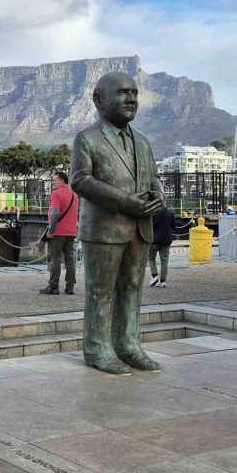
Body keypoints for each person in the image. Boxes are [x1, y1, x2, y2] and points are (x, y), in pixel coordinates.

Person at [70, 72, 165, 375]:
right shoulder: (87, 138)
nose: (131, 99)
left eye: (135, 93)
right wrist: (125, 202)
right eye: (123, 92)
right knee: (101, 291)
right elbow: (80, 180)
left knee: (133, 287)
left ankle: (128, 345)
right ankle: (97, 348)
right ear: (99, 100)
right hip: (104, 228)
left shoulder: (143, 142)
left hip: (141, 226)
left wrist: (158, 197)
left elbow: (154, 178)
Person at [40, 171, 78, 295]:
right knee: (70, 259)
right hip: (71, 232)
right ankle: (70, 286)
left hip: (58, 232)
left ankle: (53, 286)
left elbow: (55, 213)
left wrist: (51, 230)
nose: (53, 182)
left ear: (62, 180)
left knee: (55, 259)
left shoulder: (56, 194)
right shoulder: (74, 195)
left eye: (55, 180)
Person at [149, 206, 174, 287]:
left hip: (154, 240)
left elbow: (150, 225)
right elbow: (174, 226)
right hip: (166, 240)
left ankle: (154, 276)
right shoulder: (170, 213)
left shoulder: (153, 213)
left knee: (151, 258)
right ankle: (163, 281)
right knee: (164, 261)